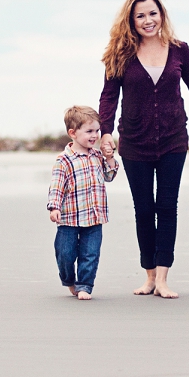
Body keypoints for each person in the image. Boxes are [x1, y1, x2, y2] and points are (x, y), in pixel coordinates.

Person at [99, 0, 189, 299]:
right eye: (140, 15)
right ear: (131, 20)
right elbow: (109, 96)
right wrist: (104, 132)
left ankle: (164, 277)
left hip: (173, 140)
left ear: (162, 15)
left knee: (167, 207)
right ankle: (150, 276)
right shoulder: (120, 53)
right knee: (144, 209)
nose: (147, 20)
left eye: (152, 13)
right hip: (134, 143)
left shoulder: (180, 50)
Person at [47, 106, 119, 300]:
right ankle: (69, 280)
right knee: (65, 254)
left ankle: (85, 285)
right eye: (89, 131)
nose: (95, 135)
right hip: (69, 217)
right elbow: (56, 186)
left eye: (97, 130)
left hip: (94, 216)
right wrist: (54, 207)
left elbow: (109, 175)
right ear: (73, 133)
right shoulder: (64, 160)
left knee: (90, 255)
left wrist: (110, 157)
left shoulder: (97, 156)